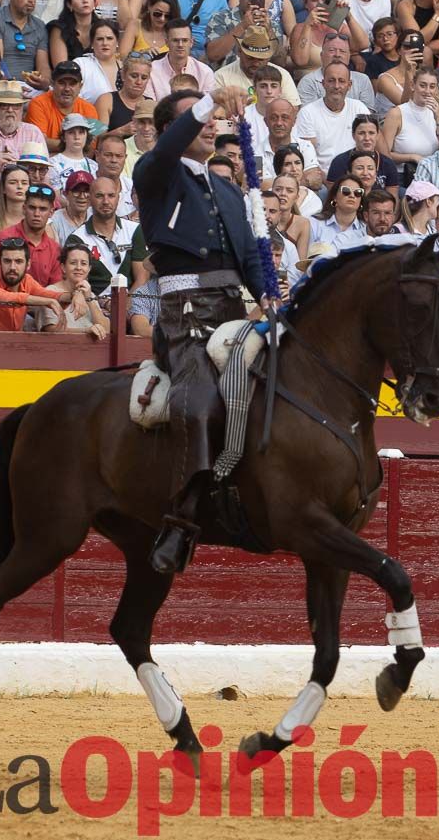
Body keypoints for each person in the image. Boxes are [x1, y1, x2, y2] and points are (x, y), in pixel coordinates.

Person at [133, 83, 264, 573]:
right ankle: (180, 520)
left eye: (212, 118)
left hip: (232, 308)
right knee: (199, 397)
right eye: (198, 118)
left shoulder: (227, 189)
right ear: (170, 130)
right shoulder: (156, 173)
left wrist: (273, 298)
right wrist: (210, 100)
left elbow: (250, 255)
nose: (210, 124)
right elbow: (166, 149)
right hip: (184, 311)